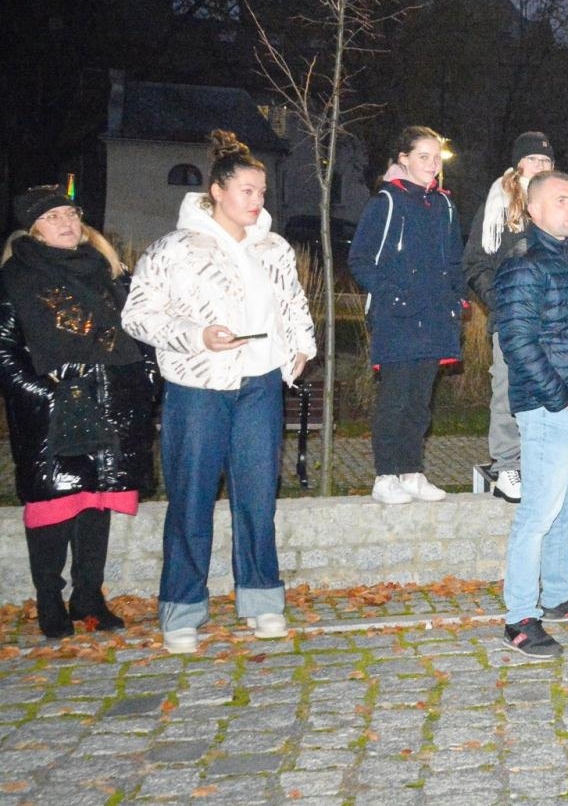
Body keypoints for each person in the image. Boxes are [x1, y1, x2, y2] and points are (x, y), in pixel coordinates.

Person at [123, 131, 316, 654]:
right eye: (248, 191)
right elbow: (138, 315)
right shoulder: (175, 248)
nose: (258, 201)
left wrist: (301, 346)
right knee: (192, 497)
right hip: (199, 385)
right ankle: (183, 607)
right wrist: (196, 336)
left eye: (261, 192)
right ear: (217, 192)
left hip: (259, 384)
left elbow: (294, 304)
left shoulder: (274, 248)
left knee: (257, 496)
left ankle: (262, 598)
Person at [0, 187, 159, 639]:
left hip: (112, 404)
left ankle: (88, 597)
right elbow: (5, 351)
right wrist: (46, 397)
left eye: (71, 214)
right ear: (33, 229)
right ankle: (49, 599)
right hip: (52, 408)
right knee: (54, 504)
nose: (67, 223)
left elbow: (140, 331)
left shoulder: (108, 270)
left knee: (96, 502)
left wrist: (146, 381)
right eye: (53, 217)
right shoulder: (16, 277)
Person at [494, 170, 568, 660]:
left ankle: (560, 595)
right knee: (539, 512)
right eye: (561, 200)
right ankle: (520, 618)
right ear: (534, 210)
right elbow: (517, 341)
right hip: (551, 407)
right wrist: (557, 396)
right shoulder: (524, 265)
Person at [349, 125, 466, 505]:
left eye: (437, 157)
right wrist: (393, 295)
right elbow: (361, 260)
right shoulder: (386, 202)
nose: (432, 165)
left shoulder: (445, 204)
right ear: (403, 159)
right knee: (395, 400)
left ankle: (412, 472)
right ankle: (385, 476)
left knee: (420, 402)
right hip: (398, 318)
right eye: (423, 157)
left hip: (434, 316)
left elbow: (454, 260)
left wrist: (456, 298)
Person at [464, 131, 557, 504]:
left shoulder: (562, 205)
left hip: (552, 321)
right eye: (534, 160)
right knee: (507, 388)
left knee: (548, 390)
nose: (540, 167)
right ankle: (507, 465)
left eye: (547, 162)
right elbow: (474, 264)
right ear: (519, 164)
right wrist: (502, 300)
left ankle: (541, 463)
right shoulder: (497, 205)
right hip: (513, 318)